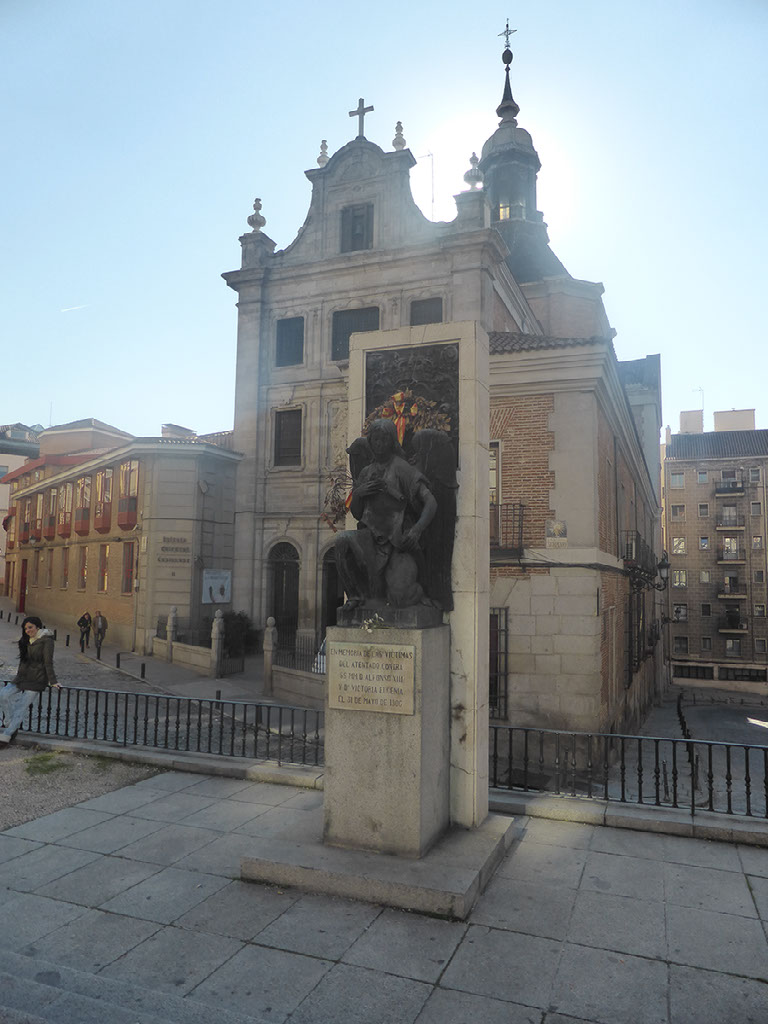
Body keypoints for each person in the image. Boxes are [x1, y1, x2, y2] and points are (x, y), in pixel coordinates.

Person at [335, 418, 437, 609]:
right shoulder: (366, 472)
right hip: (370, 538)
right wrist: (358, 494)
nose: (379, 444)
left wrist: (417, 530)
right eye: (375, 439)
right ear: (370, 442)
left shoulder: (401, 468)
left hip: (397, 542)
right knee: (342, 541)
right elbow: (357, 513)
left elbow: (431, 502)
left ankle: (421, 593)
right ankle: (356, 597)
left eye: (384, 439)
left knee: (400, 598)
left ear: (392, 442)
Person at [0, 616, 60, 746]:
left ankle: (7, 734)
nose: (28, 630)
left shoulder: (47, 640)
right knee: (3, 694)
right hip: (22, 677)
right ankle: (10, 722)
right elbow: (23, 661)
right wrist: (18, 676)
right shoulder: (26, 640)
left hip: (37, 679)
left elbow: (48, 662)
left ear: (37, 626)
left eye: (30, 627)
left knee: (21, 707)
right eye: (25, 628)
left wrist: (53, 681)